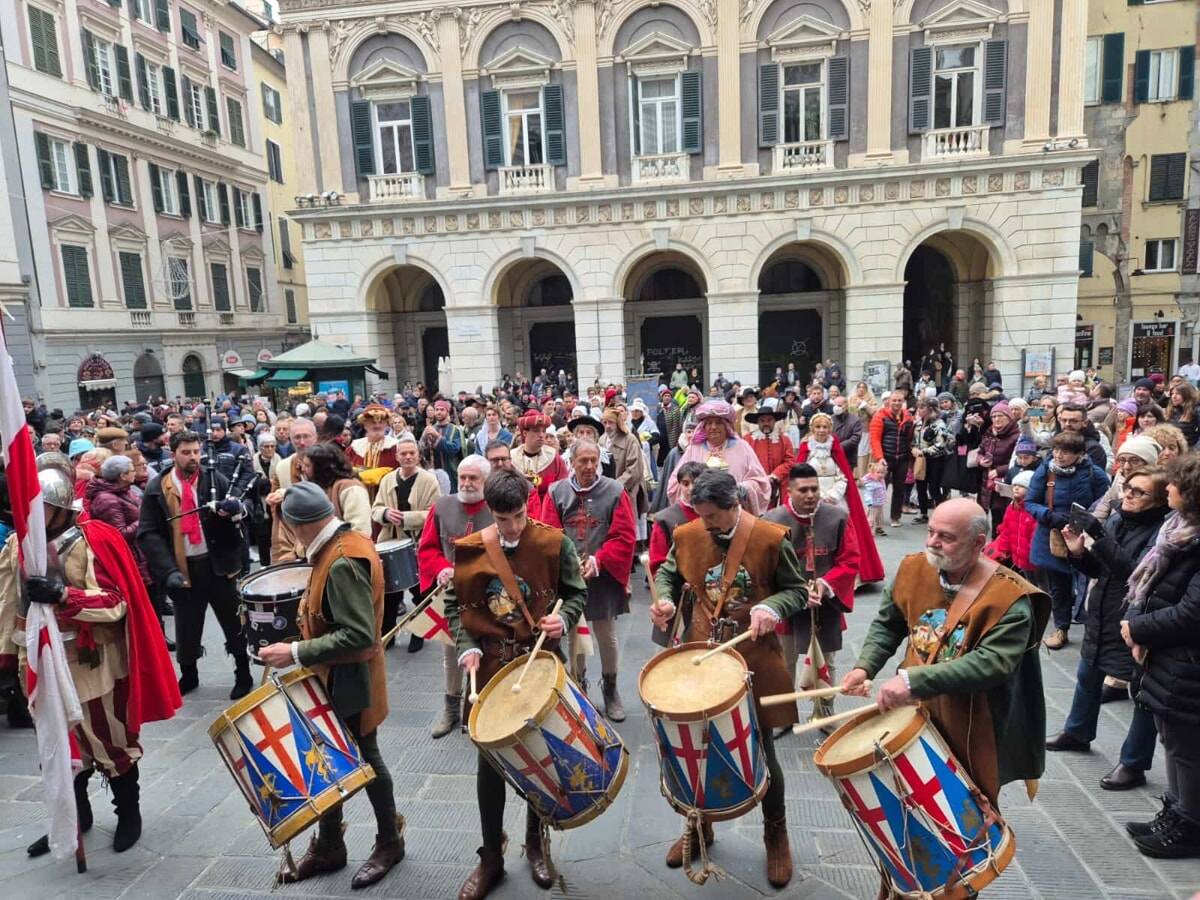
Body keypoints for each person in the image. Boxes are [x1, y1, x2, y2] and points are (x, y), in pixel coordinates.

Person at [842, 499, 1050, 873]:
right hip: (912, 713)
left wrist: (913, 679)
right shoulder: (912, 569)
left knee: (962, 822)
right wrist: (864, 667)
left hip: (972, 724)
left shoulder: (1011, 598)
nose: (934, 542)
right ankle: (900, 881)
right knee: (904, 809)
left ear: (978, 542)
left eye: (947, 537)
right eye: (931, 532)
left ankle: (957, 889)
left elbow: (992, 663)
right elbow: (889, 622)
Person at [650, 470, 812, 886]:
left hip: (754, 656)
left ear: (733, 505)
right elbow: (669, 572)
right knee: (696, 748)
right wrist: (666, 600)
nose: (704, 523)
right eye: (699, 515)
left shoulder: (771, 538)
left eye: (711, 517)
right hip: (701, 654)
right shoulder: (687, 534)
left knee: (763, 750)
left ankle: (776, 832)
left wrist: (772, 607)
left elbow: (797, 590)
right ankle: (699, 824)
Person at [23, 455, 180, 857]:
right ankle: (74, 820)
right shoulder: (20, 544)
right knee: (60, 745)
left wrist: (62, 596)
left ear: (59, 508)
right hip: (44, 661)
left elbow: (116, 603)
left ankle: (129, 814)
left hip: (93, 659)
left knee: (107, 739)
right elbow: (10, 602)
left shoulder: (92, 539)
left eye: (41, 506)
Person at [445, 469, 588, 899]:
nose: (513, 527)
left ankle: (535, 844)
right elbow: (455, 605)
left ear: (529, 505)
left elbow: (576, 592)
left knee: (540, 760)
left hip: (538, 664)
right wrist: (466, 642)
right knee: (489, 767)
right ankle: (490, 856)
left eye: (520, 516)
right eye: (504, 519)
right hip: (488, 670)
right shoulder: (470, 551)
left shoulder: (553, 542)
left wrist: (563, 619)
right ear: (490, 511)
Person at [256, 483, 405, 887]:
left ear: (298, 525)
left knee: (366, 757)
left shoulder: (342, 560)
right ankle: (329, 845)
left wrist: (296, 651)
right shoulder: (343, 542)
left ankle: (389, 841)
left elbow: (358, 636)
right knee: (325, 757)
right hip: (336, 675)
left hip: (350, 680)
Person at [1045, 466, 1167, 791]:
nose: (1127, 494)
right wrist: (1077, 551)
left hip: (1136, 617)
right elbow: (1099, 569)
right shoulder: (1118, 517)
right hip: (1102, 610)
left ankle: (1134, 763)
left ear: (1159, 500)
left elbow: (1134, 572)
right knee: (1088, 674)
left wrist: (1098, 536)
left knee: (1142, 693)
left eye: (1139, 492)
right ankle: (1077, 730)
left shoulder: (1161, 530)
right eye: (1127, 488)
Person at [1121, 455, 1200, 858]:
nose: (1166, 487)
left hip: (1188, 663)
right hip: (1170, 659)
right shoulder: (1178, 531)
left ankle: (1190, 825)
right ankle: (1175, 812)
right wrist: (1135, 618)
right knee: (1172, 741)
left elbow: (1192, 612)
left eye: (1173, 484)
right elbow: (1146, 587)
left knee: (1188, 749)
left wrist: (1139, 628)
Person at [138, 430, 252, 698]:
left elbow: (242, 507)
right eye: (186, 452)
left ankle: (243, 672)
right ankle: (189, 673)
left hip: (218, 564)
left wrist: (234, 509)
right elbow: (148, 532)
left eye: (196, 452)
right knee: (186, 625)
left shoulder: (215, 479)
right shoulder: (159, 487)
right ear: (173, 453)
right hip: (182, 566)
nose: (192, 458)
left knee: (234, 622)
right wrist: (168, 571)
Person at [539, 439, 636, 720]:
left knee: (606, 635)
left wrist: (599, 560)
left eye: (594, 460)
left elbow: (624, 535)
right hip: (569, 577)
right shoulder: (557, 491)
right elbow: (549, 533)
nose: (590, 466)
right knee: (574, 633)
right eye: (583, 460)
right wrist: (568, 566)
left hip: (603, 573)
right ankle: (578, 688)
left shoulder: (615, 491)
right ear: (572, 461)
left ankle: (611, 688)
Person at [764, 464, 858, 726]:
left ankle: (824, 712)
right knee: (783, 662)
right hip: (786, 606)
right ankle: (783, 716)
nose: (810, 495)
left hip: (825, 605)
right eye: (803, 490)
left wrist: (825, 585)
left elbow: (850, 560)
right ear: (789, 490)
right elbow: (763, 566)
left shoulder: (837, 517)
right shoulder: (772, 520)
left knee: (825, 660)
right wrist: (793, 591)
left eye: (814, 488)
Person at [415, 455, 493, 736]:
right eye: (463, 477)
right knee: (451, 654)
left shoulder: (497, 508)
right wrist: (441, 569)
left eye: (474, 478)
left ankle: (481, 710)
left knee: (488, 651)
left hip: (488, 596)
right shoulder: (442, 506)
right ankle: (450, 709)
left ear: (486, 480)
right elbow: (427, 548)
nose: (467, 483)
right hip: (450, 596)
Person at [1025, 431, 1110, 650]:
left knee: (1090, 582)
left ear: (1079, 454)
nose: (1059, 455)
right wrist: (1048, 515)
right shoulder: (1045, 471)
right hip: (1053, 536)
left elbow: (1105, 503)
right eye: (1056, 450)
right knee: (1059, 586)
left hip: (1085, 536)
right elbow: (1031, 502)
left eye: (1066, 451)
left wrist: (1088, 520)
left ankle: (1094, 629)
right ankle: (1061, 628)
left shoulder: (1094, 474)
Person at [371, 436, 441, 643]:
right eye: (404, 453)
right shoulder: (387, 480)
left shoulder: (429, 480)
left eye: (412, 453)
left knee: (421, 591)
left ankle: (419, 634)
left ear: (418, 456)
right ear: (397, 456)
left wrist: (407, 518)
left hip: (419, 542)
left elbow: (435, 513)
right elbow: (375, 509)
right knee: (389, 592)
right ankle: (388, 635)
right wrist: (385, 514)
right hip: (391, 543)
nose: (408, 457)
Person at [668, 400, 771, 513]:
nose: (713, 427)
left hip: (733, 512)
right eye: (709, 423)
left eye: (718, 423)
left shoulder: (742, 447)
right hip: (700, 514)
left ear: (726, 426)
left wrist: (741, 489)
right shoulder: (694, 448)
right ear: (703, 426)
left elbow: (761, 483)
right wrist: (694, 489)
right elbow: (675, 484)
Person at [267, 418, 317, 562]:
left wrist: (288, 493)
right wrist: (274, 500)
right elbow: (276, 510)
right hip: (293, 538)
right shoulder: (282, 466)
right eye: (297, 437)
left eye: (306, 436)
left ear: (315, 437)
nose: (302, 442)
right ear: (291, 439)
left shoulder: (327, 463)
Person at [303, 443, 371, 538]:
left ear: (321, 468)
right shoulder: (319, 488)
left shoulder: (351, 489)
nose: (303, 469)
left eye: (307, 466)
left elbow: (360, 530)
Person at [869, 390, 915, 528]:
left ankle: (895, 517)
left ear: (903, 402)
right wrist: (879, 458)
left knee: (899, 489)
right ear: (889, 401)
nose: (896, 403)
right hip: (885, 458)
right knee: (879, 488)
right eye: (894, 400)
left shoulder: (908, 417)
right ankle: (874, 517)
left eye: (899, 400)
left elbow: (910, 438)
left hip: (902, 458)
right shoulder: (880, 416)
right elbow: (875, 439)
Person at [511, 412, 568, 521]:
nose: (542, 435)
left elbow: (563, 490)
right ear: (524, 433)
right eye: (536, 431)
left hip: (548, 517)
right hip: (516, 516)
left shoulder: (554, 458)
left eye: (543, 431)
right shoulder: (511, 458)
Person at [346, 403, 400, 501]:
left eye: (381, 422)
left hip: (388, 501)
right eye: (372, 422)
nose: (377, 425)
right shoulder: (353, 449)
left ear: (386, 424)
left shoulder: (396, 447)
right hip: (359, 501)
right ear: (365, 424)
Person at [746, 400, 795, 505]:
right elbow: (744, 463)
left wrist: (775, 475)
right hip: (756, 485)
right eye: (762, 421)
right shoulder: (748, 439)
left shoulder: (784, 439)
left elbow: (790, 461)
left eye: (769, 420)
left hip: (780, 485)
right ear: (758, 422)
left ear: (774, 421)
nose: (766, 423)